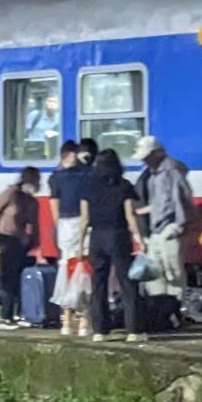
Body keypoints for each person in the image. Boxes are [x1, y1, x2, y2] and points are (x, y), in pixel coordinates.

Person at [79, 147, 144, 342]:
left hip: (96, 238)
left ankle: (100, 330)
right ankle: (133, 330)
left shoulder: (88, 187)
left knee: (98, 284)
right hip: (118, 236)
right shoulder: (124, 186)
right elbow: (130, 216)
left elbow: (84, 219)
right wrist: (139, 239)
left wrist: (79, 244)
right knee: (127, 283)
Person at [131, 134, 193, 329]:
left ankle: (177, 313)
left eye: (147, 156)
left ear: (157, 153)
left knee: (173, 272)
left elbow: (181, 198)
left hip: (168, 228)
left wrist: (179, 225)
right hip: (156, 229)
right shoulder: (153, 173)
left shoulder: (170, 170)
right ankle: (163, 314)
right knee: (156, 274)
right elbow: (160, 202)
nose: (144, 160)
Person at [0, 167, 42, 329]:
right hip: (4, 240)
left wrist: (36, 244)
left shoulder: (32, 202)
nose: (38, 185)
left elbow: (34, 224)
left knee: (20, 278)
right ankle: (6, 317)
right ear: (27, 181)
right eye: (36, 181)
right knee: (8, 279)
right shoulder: (11, 194)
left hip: (21, 243)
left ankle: (20, 313)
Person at [47, 138, 93, 338]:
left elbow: (54, 206)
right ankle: (84, 320)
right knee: (85, 271)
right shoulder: (86, 174)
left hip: (66, 224)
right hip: (83, 223)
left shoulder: (55, 177)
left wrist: (58, 227)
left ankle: (67, 321)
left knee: (67, 269)